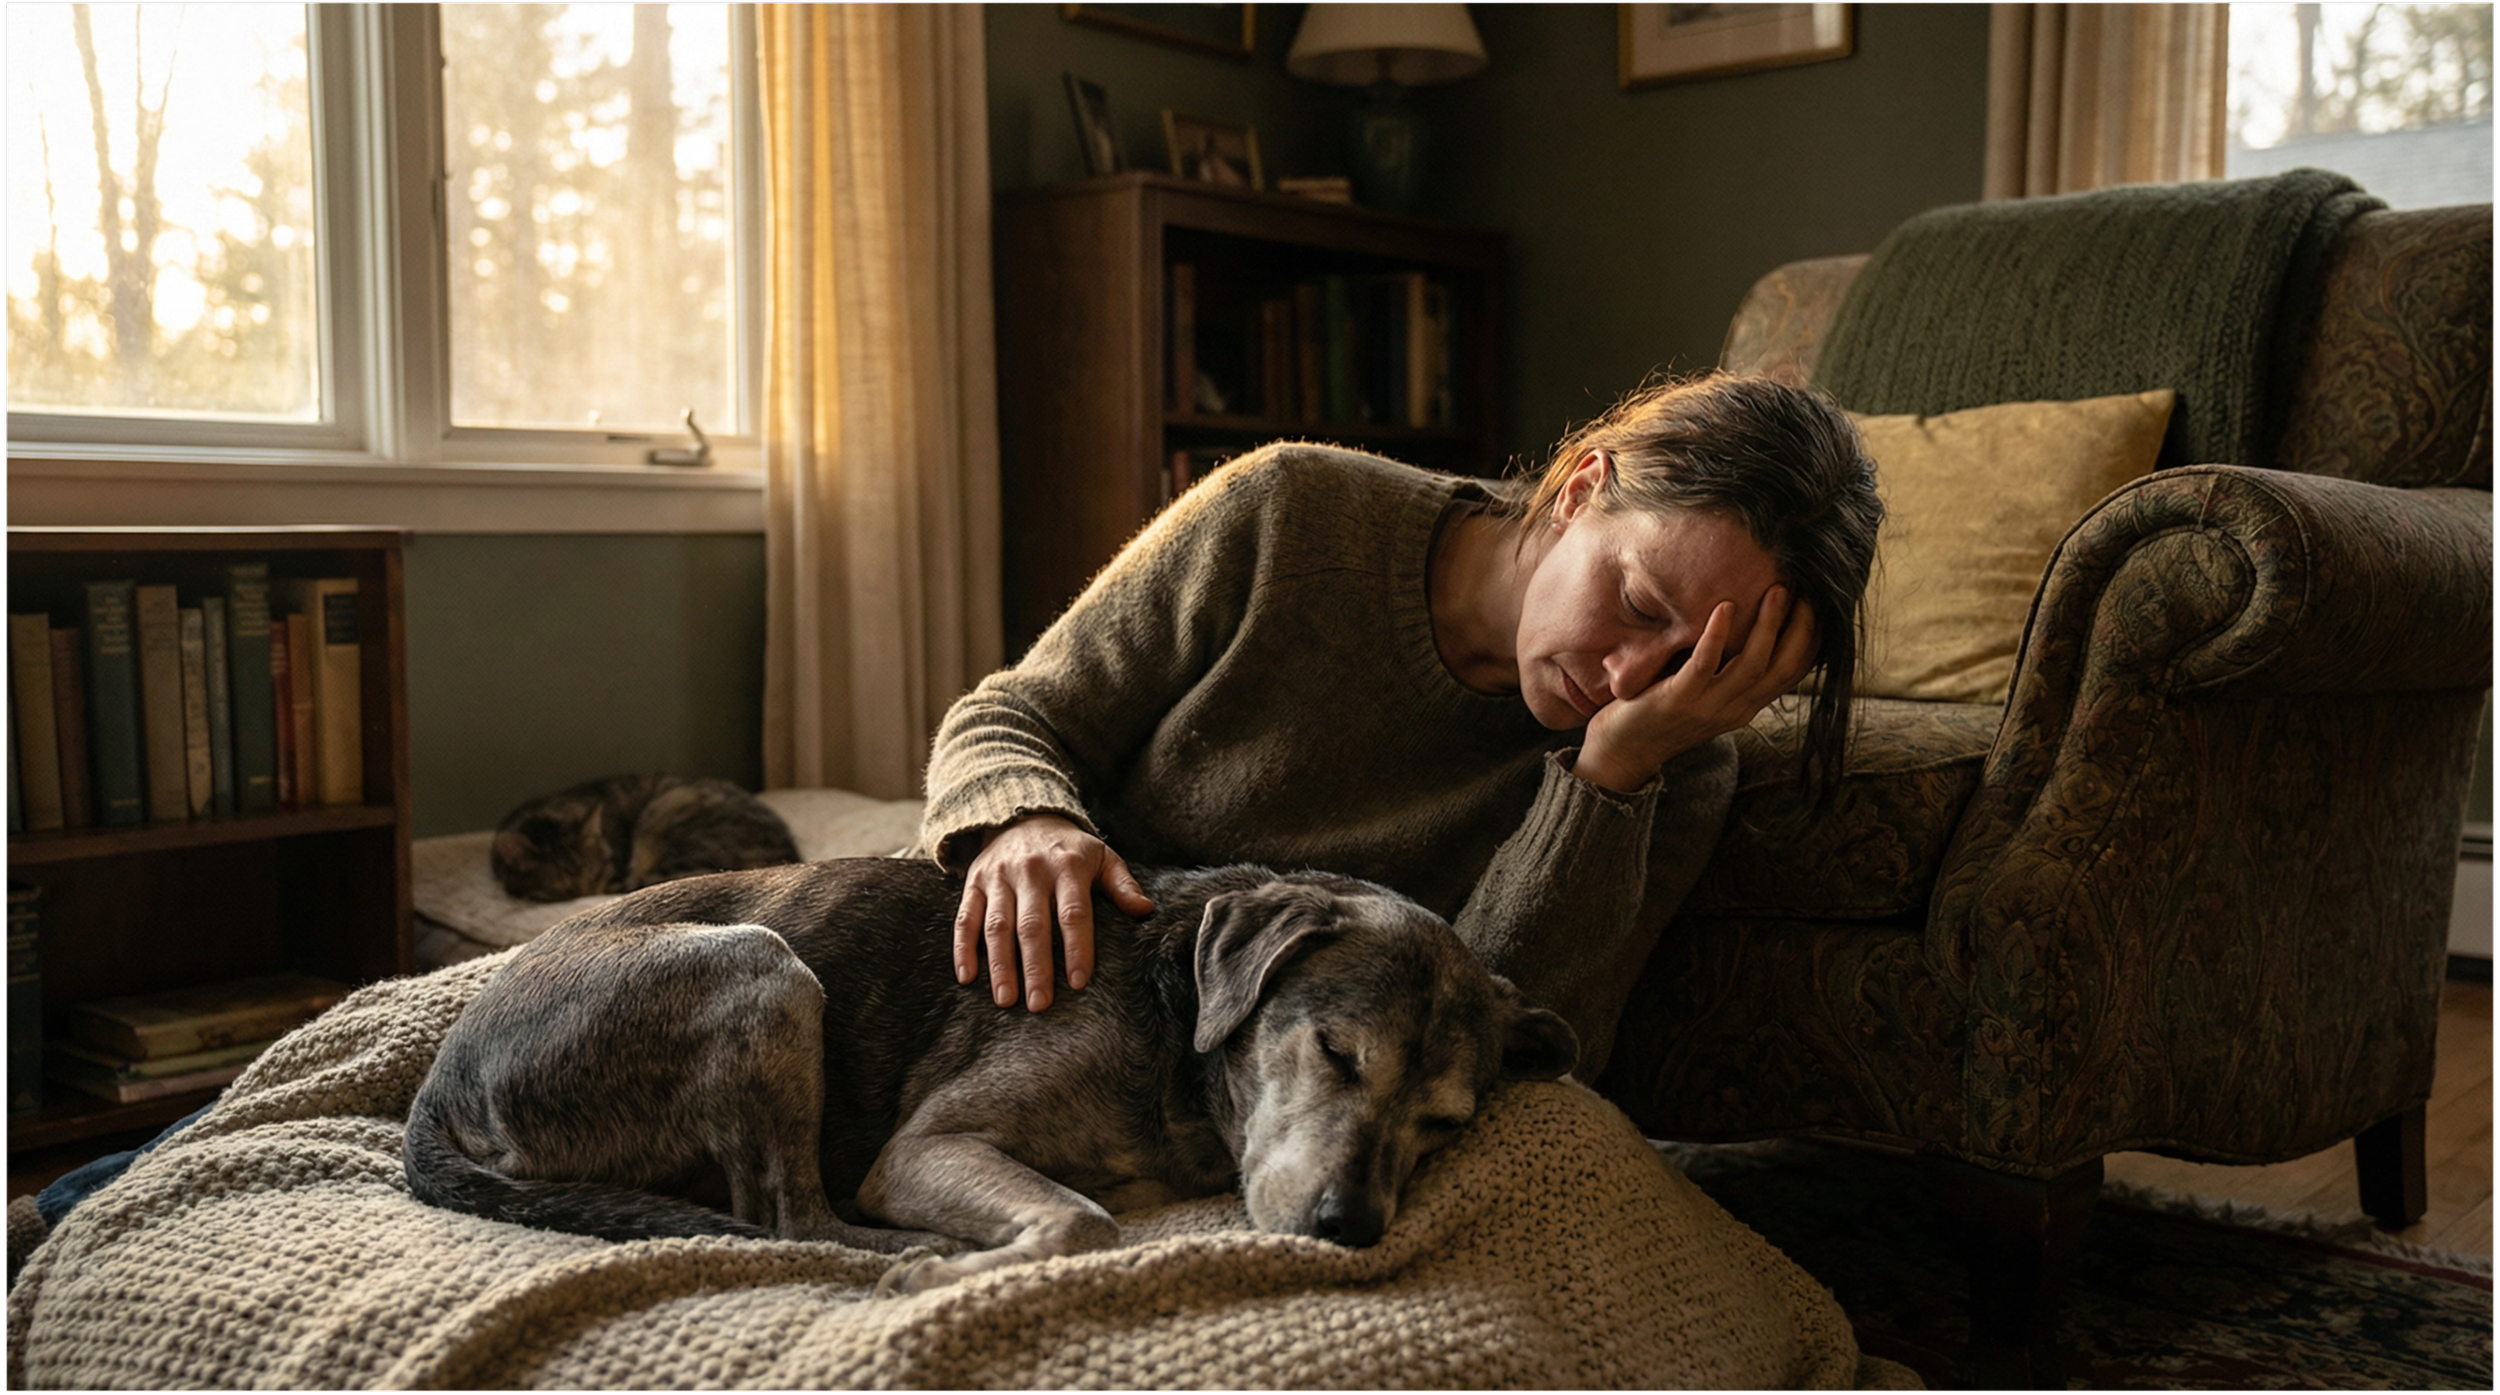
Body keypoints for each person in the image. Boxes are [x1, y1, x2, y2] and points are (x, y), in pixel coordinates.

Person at [922, 372, 1882, 1078]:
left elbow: (1514, 1055)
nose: (1629, 678)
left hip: (1226, 1100)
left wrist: (1607, 781)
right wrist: (1027, 821)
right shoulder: (1289, 512)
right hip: (1020, 985)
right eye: (1635, 601)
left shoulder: (1667, 758)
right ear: (1584, 488)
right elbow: (1012, 714)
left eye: (1693, 664)